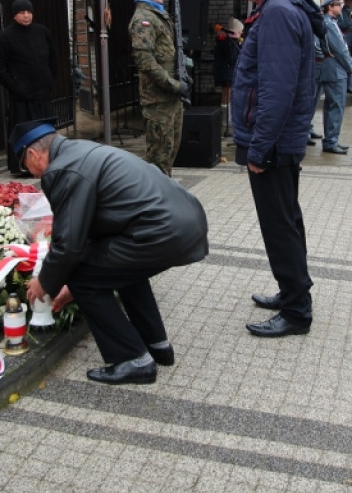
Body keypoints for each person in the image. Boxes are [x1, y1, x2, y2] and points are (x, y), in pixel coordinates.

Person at [12, 118, 208, 385]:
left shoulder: (61, 169)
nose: (32, 174)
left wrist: (45, 282)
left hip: (160, 230)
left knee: (83, 277)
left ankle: (132, 360)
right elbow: (89, 231)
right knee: (123, 270)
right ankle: (157, 345)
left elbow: (69, 244)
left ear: (33, 154)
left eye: (26, 165)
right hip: (185, 222)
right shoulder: (80, 150)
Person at [226, 0, 316, 338]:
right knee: (286, 221)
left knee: (279, 226)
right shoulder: (277, 9)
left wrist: (259, 148)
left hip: (272, 145)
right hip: (277, 141)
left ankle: (296, 312)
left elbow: (276, 91)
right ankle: (291, 291)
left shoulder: (277, 14)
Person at [127, 0, 187, 176]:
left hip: (170, 99)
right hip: (158, 100)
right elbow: (145, 61)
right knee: (158, 161)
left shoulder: (157, 15)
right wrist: (173, 84)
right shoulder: (144, 20)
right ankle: (154, 204)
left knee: (168, 155)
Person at [0, 0, 57, 175]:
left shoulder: (42, 32)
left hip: (42, 93)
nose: (26, 16)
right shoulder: (5, 37)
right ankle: (24, 166)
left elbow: (53, 57)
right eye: (21, 13)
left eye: (28, 12)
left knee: (46, 132)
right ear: (14, 15)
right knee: (26, 133)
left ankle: (49, 161)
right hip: (22, 98)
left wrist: (50, 80)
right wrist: (16, 87)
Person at [313, 0, 352, 154]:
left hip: (331, 66)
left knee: (333, 105)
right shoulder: (329, 24)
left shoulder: (330, 23)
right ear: (330, 6)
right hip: (334, 67)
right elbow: (338, 48)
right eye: (339, 4)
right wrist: (350, 65)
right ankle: (331, 141)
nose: (341, 7)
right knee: (336, 105)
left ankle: (331, 139)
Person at [212, 17, 242, 109]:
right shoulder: (230, 42)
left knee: (225, 93)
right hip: (228, 71)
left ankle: (225, 117)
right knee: (228, 93)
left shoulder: (224, 40)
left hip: (224, 71)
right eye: (240, 31)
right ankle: (227, 117)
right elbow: (233, 58)